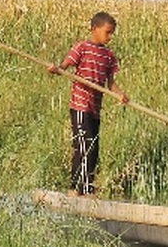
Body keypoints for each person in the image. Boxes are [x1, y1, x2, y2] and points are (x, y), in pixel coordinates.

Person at [49, 11, 128, 196]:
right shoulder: (82, 48)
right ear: (94, 29)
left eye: (112, 33)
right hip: (80, 106)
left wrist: (120, 95)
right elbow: (65, 66)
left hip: (95, 109)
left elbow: (111, 83)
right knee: (83, 146)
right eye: (107, 32)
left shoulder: (108, 55)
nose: (110, 37)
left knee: (93, 148)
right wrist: (56, 69)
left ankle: (87, 187)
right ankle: (77, 189)